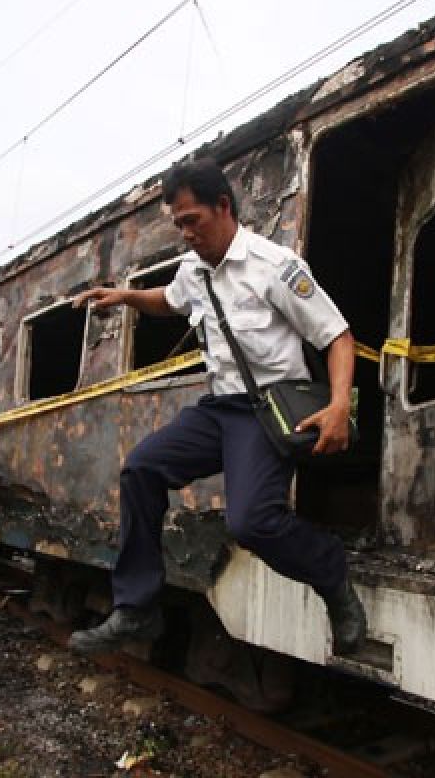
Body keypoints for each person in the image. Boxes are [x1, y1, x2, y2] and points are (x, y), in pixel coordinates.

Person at [67, 159, 366, 656]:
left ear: (223, 206)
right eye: (178, 223)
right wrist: (124, 296)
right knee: (140, 469)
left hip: (267, 410)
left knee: (251, 523)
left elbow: (337, 337)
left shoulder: (275, 267)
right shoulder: (193, 270)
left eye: (192, 221)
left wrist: (339, 407)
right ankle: (136, 608)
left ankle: (331, 573)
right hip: (218, 410)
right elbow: (169, 300)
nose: (185, 234)